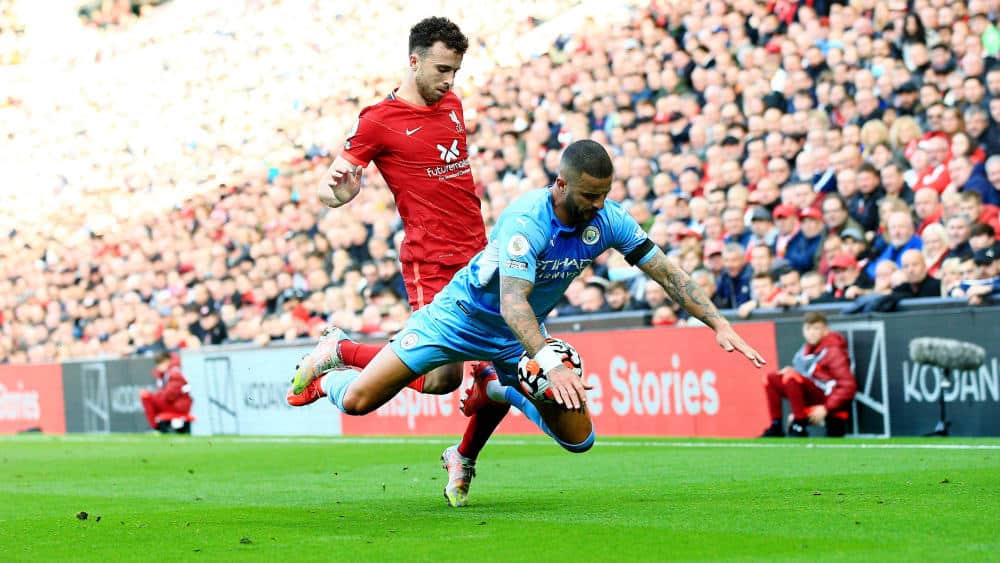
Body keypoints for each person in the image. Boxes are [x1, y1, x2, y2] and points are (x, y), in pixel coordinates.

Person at [287, 141, 766, 504]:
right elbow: (513, 303)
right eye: (590, 195)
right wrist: (549, 363)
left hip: (515, 338)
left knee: (580, 440)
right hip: (457, 318)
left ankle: (496, 388)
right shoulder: (526, 220)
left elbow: (667, 272)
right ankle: (333, 361)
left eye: (605, 195)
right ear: (561, 185)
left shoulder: (610, 219)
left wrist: (718, 324)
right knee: (359, 401)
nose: (598, 205)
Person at [295, 17, 507, 506]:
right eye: (441, 69)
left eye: (455, 71)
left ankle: (463, 457)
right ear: (414, 61)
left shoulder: (453, 105)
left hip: (480, 257)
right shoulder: (378, 120)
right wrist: (341, 195)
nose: (449, 80)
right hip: (430, 262)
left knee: (506, 366)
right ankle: (341, 351)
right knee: (441, 379)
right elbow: (330, 190)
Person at [760, 312, 856, 438]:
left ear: (826, 330)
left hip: (828, 400)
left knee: (791, 376)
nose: (811, 332)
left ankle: (799, 424)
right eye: (808, 328)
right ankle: (776, 425)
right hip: (813, 396)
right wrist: (792, 371)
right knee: (770, 378)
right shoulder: (804, 351)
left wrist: (826, 408)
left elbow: (848, 386)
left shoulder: (833, 350)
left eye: (816, 328)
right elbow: (804, 378)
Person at [139, 352, 193, 433]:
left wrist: (158, 395)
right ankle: (156, 426)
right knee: (146, 396)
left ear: (167, 361)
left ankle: (156, 427)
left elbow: (170, 396)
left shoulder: (175, 373)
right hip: (173, 403)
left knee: (146, 396)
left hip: (177, 406)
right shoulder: (166, 374)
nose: (158, 367)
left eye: (160, 363)